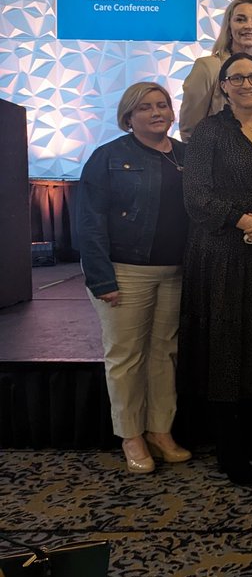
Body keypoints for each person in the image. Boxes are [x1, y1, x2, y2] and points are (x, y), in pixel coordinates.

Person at [179, 53, 252, 486]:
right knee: (228, 343)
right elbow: (196, 197)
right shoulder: (208, 133)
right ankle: (229, 447)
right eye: (237, 78)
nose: (247, 83)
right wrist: (244, 219)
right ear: (223, 86)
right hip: (223, 253)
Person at [77, 82, 191, 473]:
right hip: (125, 272)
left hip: (175, 272)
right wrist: (101, 279)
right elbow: (89, 222)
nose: (157, 112)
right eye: (145, 107)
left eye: (163, 105)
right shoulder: (107, 157)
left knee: (165, 355)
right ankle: (131, 436)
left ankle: (160, 431)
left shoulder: (185, 155)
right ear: (129, 117)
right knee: (126, 357)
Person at [179, 0, 252, 141]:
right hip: (221, 160)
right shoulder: (208, 68)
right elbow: (190, 130)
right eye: (240, 19)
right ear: (229, 26)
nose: (249, 26)